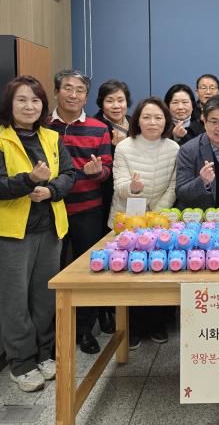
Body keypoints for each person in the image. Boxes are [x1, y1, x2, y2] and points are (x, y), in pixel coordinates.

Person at [0, 76, 74, 392]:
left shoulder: (51, 137)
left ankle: (45, 353)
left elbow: (68, 174)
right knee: (15, 300)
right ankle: (21, 363)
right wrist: (28, 181)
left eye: (35, 100)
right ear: (10, 104)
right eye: (22, 100)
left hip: (51, 229)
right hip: (13, 233)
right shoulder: (2, 138)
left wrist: (51, 190)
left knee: (45, 297)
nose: (29, 106)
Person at [48, 69, 112, 355]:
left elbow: (108, 170)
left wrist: (98, 172)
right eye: (68, 88)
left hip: (88, 209)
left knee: (89, 269)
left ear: (87, 97)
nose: (73, 95)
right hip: (49, 211)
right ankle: (55, 333)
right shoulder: (43, 126)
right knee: (52, 272)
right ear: (56, 91)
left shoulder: (99, 128)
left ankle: (85, 328)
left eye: (80, 90)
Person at [109, 97, 179, 348]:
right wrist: (134, 188)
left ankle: (157, 324)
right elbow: (119, 186)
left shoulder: (174, 148)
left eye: (158, 117)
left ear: (166, 121)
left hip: (159, 220)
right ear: (137, 120)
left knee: (158, 269)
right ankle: (133, 327)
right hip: (127, 220)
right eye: (146, 117)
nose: (152, 122)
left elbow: (173, 185)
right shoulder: (124, 147)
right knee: (131, 273)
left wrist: (156, 216)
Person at [93, 79, 132, 334]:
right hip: (104, 198)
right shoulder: (96, 126)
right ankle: (104, 311)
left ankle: (126, 312)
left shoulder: (134, 124)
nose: (116, 105)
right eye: (110, 100)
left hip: (130, 199)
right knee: (106, 253)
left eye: (120, 100)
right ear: (101, 103)